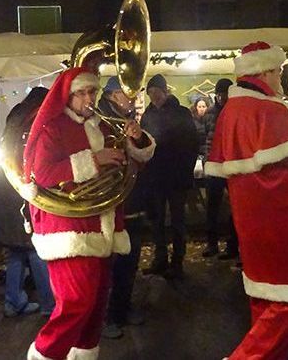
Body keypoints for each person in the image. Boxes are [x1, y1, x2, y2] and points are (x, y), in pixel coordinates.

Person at [206, 41, 288, 359]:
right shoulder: (266, 109)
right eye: (277, 71)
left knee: (264, 300)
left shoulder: (231, 111)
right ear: (263, 72)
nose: (280, 79)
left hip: (252, 224)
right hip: (282, 221)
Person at [24, 66, 155, 360]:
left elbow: (133, 165)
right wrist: (93, 161)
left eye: (91, 92)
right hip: (69, 231)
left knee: (95, 306)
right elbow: (42, 173)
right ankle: (45, 354)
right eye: (80, 93)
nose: (87, 99)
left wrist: (137, 141)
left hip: (102, 225)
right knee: (76, 303)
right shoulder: (52, 127)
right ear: (67, 96)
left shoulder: (104, 125)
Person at [0, 87, 54, 318]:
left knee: (16, 253)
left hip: (5, 194)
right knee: (35, 250)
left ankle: (13, 302)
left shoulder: (16, 117)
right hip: (22, 193)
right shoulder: (36, 119)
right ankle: (49, 304)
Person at [97, 77, 147, 339]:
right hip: (113, 204)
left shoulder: (127, 119)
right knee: (111, 266)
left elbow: (141, 159)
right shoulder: (100, 120)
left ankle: (123, 308)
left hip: (132, 200)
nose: (133, 98)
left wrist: (138, 140)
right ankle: (107, 316)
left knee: (129, 262)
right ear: (114, 95)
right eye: (128, 94)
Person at [139, 74, 200, 279]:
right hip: (155, 178)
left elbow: (192, 144)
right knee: (156, 221)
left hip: (176, 177)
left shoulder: (181, 113)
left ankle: (177, 261)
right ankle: (160, 258)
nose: (154, 97)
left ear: (165, 92)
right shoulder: (147, 115)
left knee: (177, 221)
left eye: (157, 92)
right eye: (151, 94)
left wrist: (185, 171)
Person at [201, 78, 239, 262]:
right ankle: (212, 243)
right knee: (212, 208)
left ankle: (233, 245)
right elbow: (202, 136)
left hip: (232, 166)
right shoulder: (209, 113)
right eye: (219, 94)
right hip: (214, 166)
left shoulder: (236, 112)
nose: (221, 97)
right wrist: (206, 156)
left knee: (236, 208)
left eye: (224, 94)